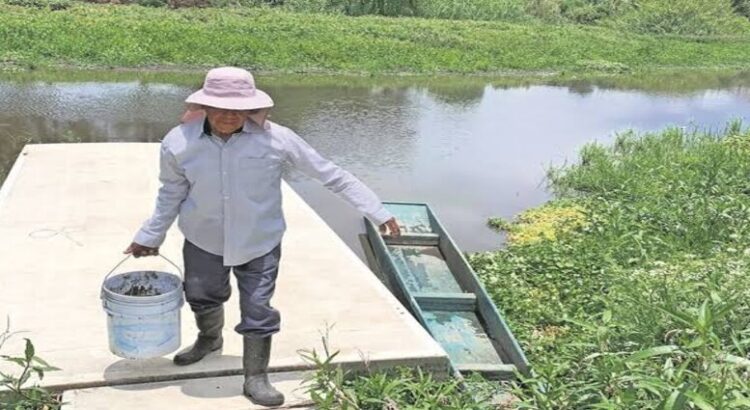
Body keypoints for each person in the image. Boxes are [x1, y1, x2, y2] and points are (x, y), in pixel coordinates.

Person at [124, 67, 401, 407]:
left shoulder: (278, 139)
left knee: (257, 307)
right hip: (203, 237)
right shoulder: (179, 142)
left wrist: (377, 210)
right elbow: (171, 193)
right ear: (204, 107)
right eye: (220, 108)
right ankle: (209, 340)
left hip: (260, 241)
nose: (228, 116)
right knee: (201, 294)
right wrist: (150, 235)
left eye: (237, 110)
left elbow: (330, 174)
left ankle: (255, 376)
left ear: (251, 109)